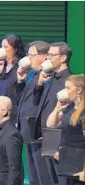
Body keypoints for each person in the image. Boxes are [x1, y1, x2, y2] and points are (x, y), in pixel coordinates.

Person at [13, 41, 52, 185]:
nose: (28, 59)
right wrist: (20, 81)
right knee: (33, 176)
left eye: (31, 55)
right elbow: (21, 99)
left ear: (43, 57)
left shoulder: (49, 77)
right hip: (28, 131)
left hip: (40, 133)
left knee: (44, 175)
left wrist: (40, 84)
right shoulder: (31, 75)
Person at [34, 42, 72, 185]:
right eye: (48, 54)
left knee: (60, 179)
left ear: (63, 58)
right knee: (48, 178)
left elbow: (67, 113)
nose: (48, 58)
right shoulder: (50, 78)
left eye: (52, 55)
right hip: (46, 134)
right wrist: (39, 84)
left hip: (58, 136)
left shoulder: (68, 82)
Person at [47, 74, 85, 185]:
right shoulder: (70, 107)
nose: (65, 91)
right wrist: (57, 109)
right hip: (68, 162)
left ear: (79, 90)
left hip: (80, 164)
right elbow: (50, 124)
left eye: (68, 88)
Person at [0, 34, 25, 122]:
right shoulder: (2, 66)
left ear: (15, 49)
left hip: (12, 113)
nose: (2, 50)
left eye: (6, 47)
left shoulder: (21, 67)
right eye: (1, 47)